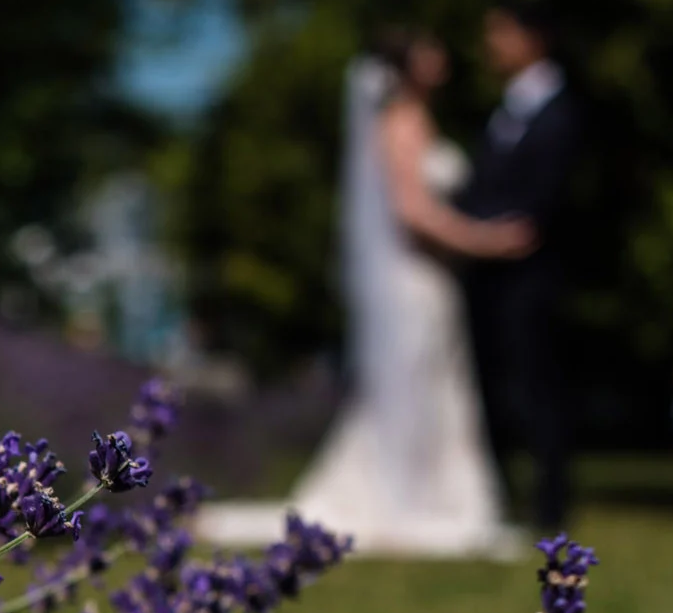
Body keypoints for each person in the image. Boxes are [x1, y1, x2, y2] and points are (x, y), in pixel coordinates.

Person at [198, 29, 532, 557]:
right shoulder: (399, 122)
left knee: (432, 390)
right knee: (413, 386)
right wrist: (487, 241)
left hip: (430, 278)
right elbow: (413, 211)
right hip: (414, 280)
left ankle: (429, 496)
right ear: (408, 66)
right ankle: (408, 499)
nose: (443, 55)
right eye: (431, 48)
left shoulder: (415, 119)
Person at [459, 3, 582, 531]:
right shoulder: (504, 110)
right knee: (493, 387)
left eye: (500, 33)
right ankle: (501, 499)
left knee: (538, 388)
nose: (491, 44)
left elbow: (547, 195)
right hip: (490, 271)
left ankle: (550, 505)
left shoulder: (561, 110)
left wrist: (507, 233)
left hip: (533, 274)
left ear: (534, 39)